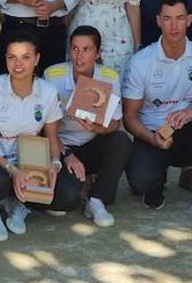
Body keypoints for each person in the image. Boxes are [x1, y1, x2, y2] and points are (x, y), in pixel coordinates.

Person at [122, 0, 192, 215]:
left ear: (189, 20)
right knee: (141, 182)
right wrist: (153, 138)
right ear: (158, 21)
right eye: (168, 18)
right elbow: (130, 116)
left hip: (190, 126)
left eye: (180, 18)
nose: (174, 26)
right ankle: (156, 183)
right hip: (154, 131)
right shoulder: (141, 61)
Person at [0, 30, 78, 240]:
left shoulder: (47, 91)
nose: (18, 64)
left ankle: (20, 204)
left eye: (25, 57)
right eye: (12, 57)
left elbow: (52, 137)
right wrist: (11, 169)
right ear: (6, 59)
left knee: (68, 193)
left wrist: (55, 164)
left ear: (37, 59)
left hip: (29, 164)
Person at [43, 27, 135, 227]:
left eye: (86, 50)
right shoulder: (53, 75)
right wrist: (66, 154)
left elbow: (115, 122)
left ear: (98, 53)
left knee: (121, 141)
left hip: (93, 144)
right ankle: (78, 186)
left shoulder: (109, 76)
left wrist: (96, 128)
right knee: (67, 198)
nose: (79, 56)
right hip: (61, 147)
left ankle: (97, 199)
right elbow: (45, 129)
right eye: (75, 49)